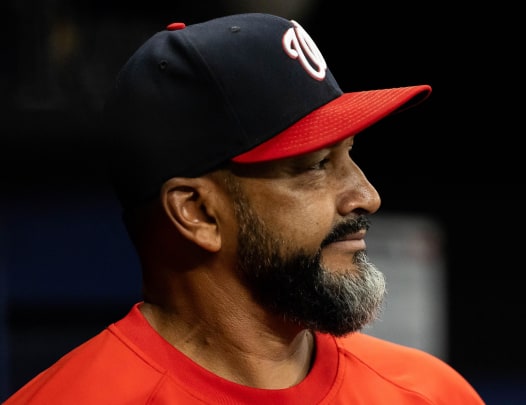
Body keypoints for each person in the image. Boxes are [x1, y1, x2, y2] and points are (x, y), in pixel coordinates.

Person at [3, 12, 485, 405]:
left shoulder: (430, 392)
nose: (366, 195)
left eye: (349, 154)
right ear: (197, 212)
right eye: (316, 165)